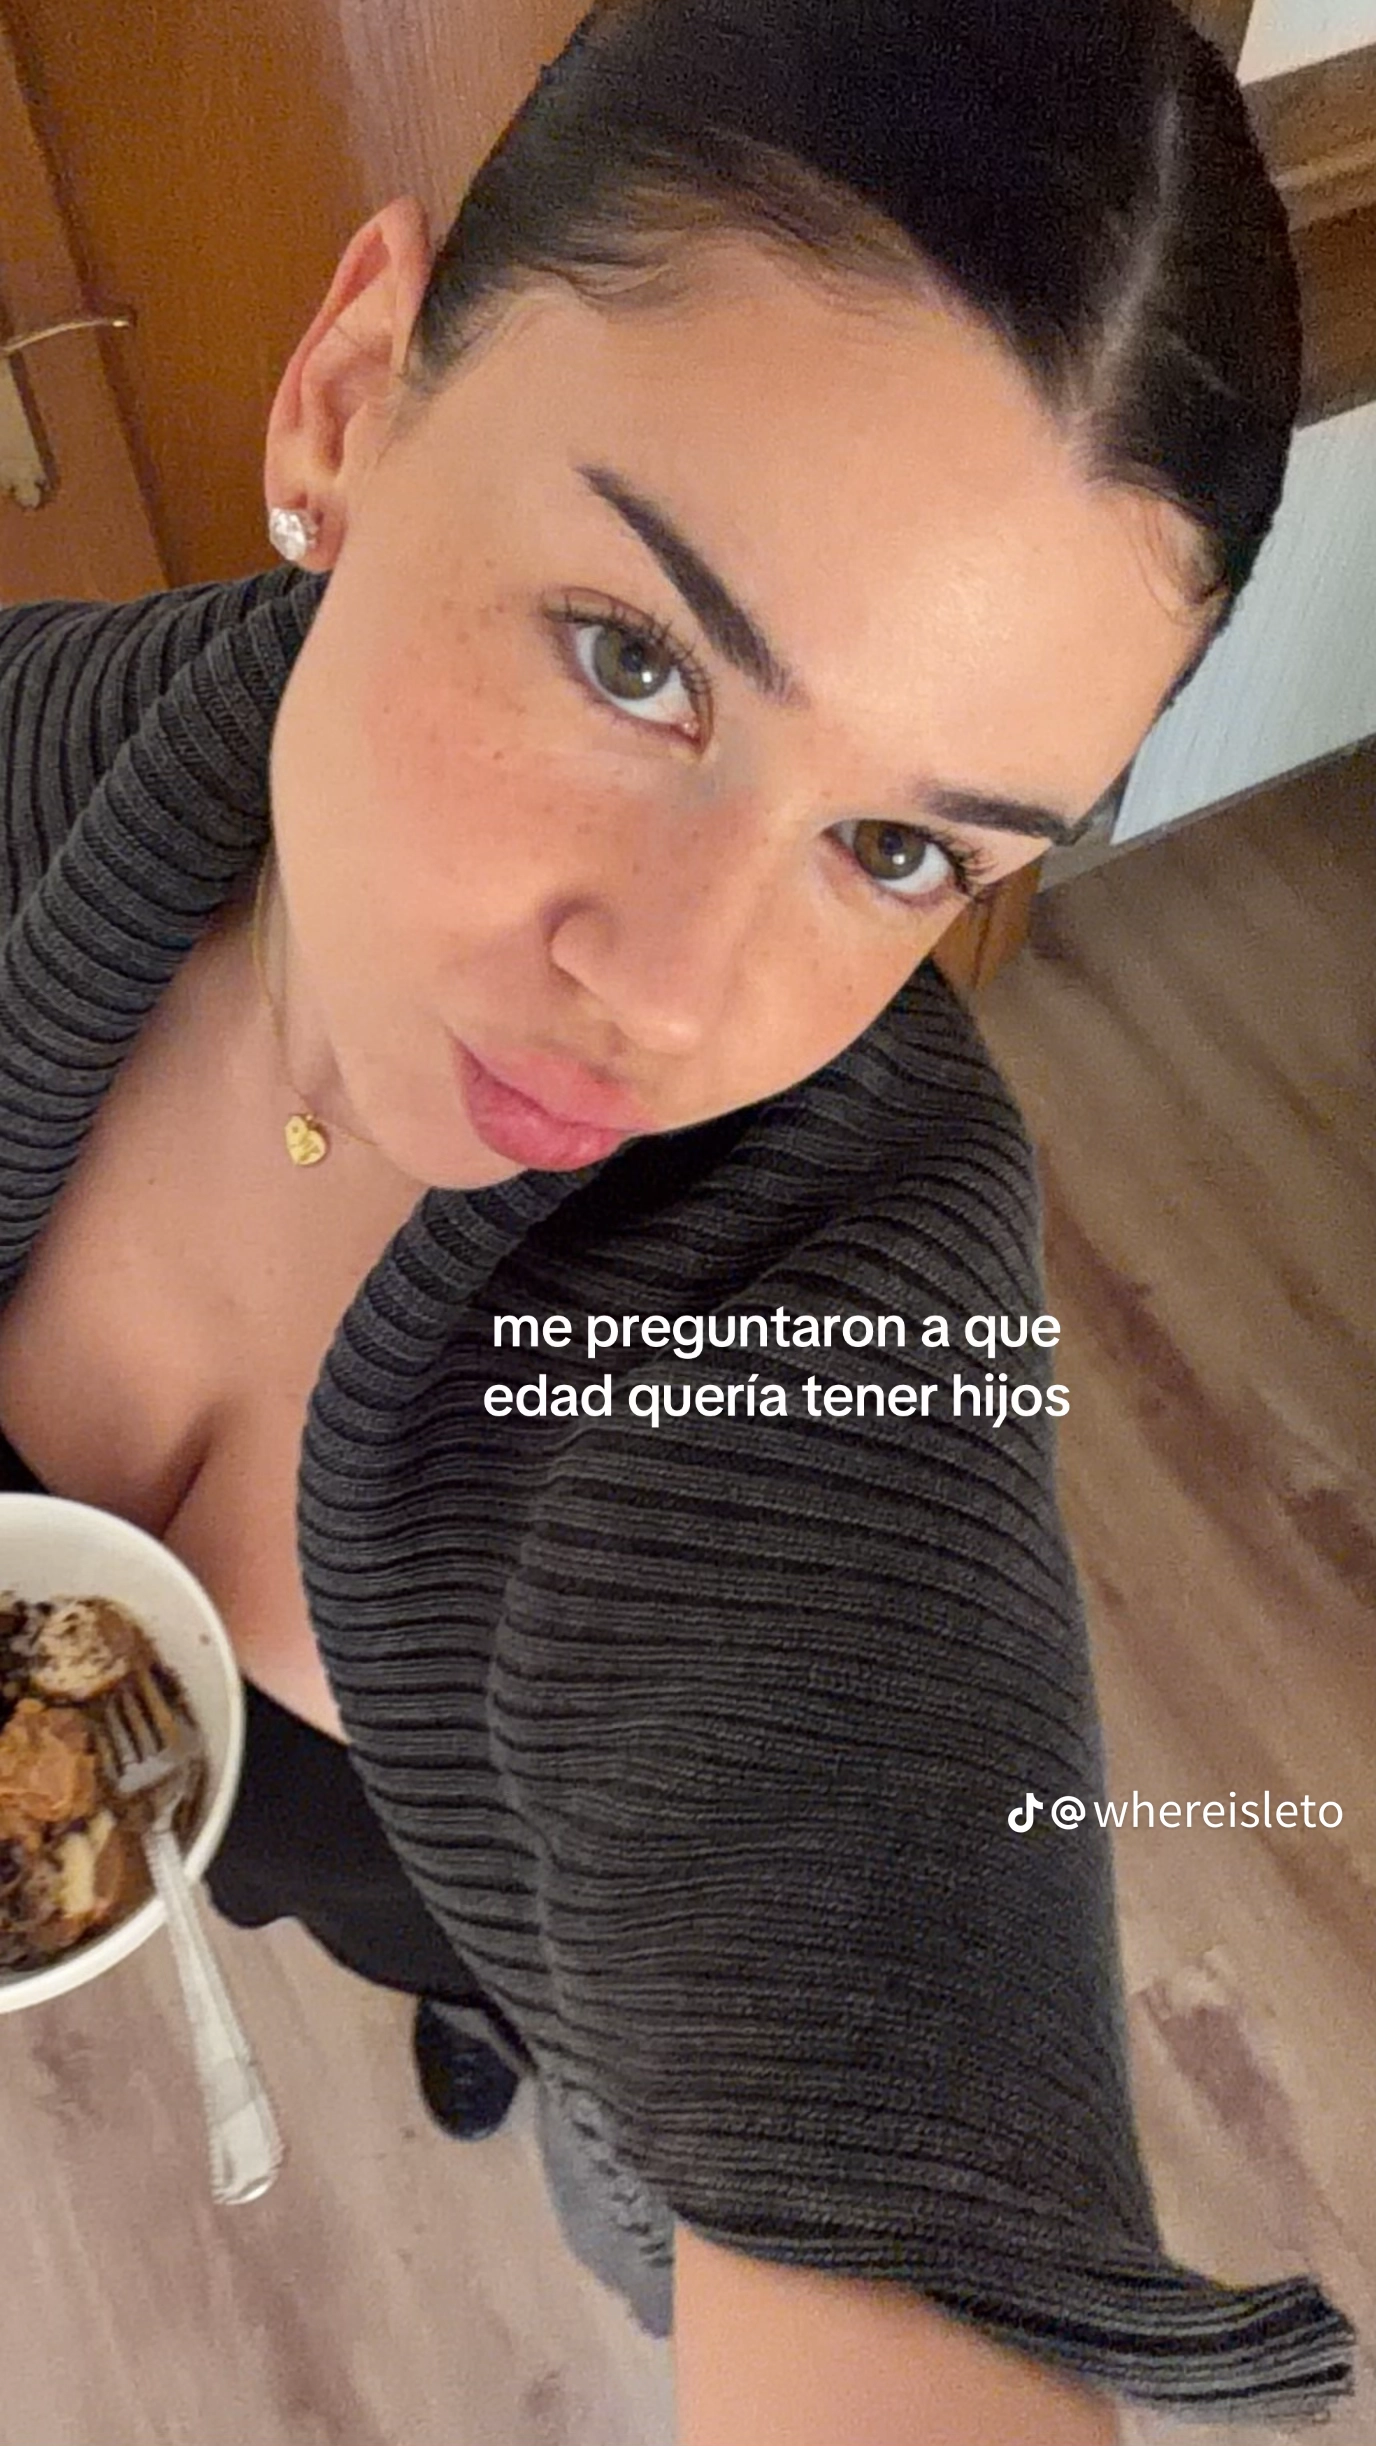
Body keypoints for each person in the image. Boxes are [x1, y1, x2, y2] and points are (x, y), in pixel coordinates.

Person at [0, 0, 1357, 2435]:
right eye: (635, 659)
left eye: (899, 849)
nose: (678, 993)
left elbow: (877, 1948)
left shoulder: (815, 1303)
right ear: (349, 397)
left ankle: (498, 2013)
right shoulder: (19, 746)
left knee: (573, 2109)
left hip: (566, 1972)